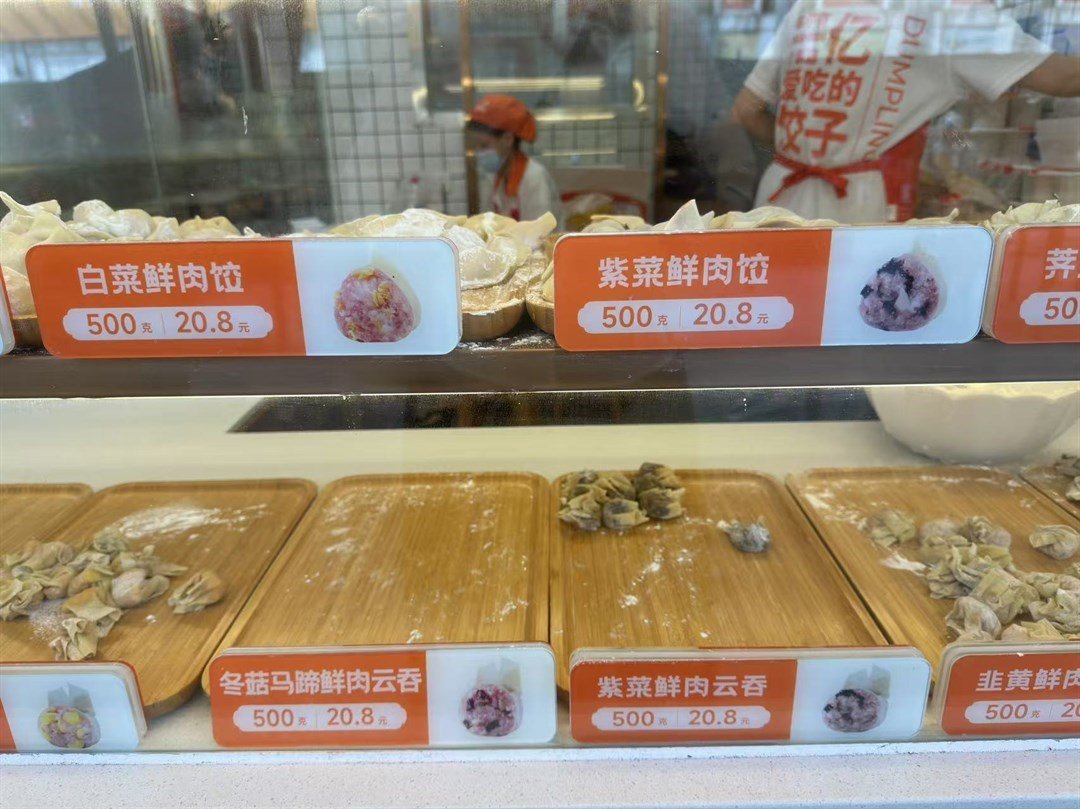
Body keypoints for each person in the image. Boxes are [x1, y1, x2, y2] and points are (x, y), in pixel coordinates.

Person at [732, 0, 1080, 223]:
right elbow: (1064, 78)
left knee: (778, 306)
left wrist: (810, 153)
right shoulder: (948, 15)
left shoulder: (810, 7)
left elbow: (747, 110)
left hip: (779, 195)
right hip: (857, 206)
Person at [466, 94, 562, 223]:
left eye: (484, 145)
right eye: (475, 146)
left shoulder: (533, 178)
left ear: (507, 139)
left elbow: (539, 232)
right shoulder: (493, 178)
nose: (479, 153)